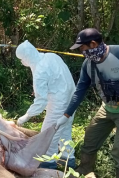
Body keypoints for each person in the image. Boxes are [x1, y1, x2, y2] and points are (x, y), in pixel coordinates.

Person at [56, 28, 119, 178]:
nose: (82, 52)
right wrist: (66, 115)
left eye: (82, 48)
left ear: (93, 44)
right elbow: (80, 90)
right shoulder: (88, 64)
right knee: (90, 140)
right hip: (108, 108)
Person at [15, 40, 76, 169]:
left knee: (49, 133)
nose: (22, 62)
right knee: (65, 129)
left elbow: (41, 101)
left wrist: (26, 117)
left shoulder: (39, 72)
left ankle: (48, 164)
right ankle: (68, 159)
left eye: (22, 59)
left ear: (27, 57)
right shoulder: (51, 56)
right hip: (72, 96)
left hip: (59, 101)